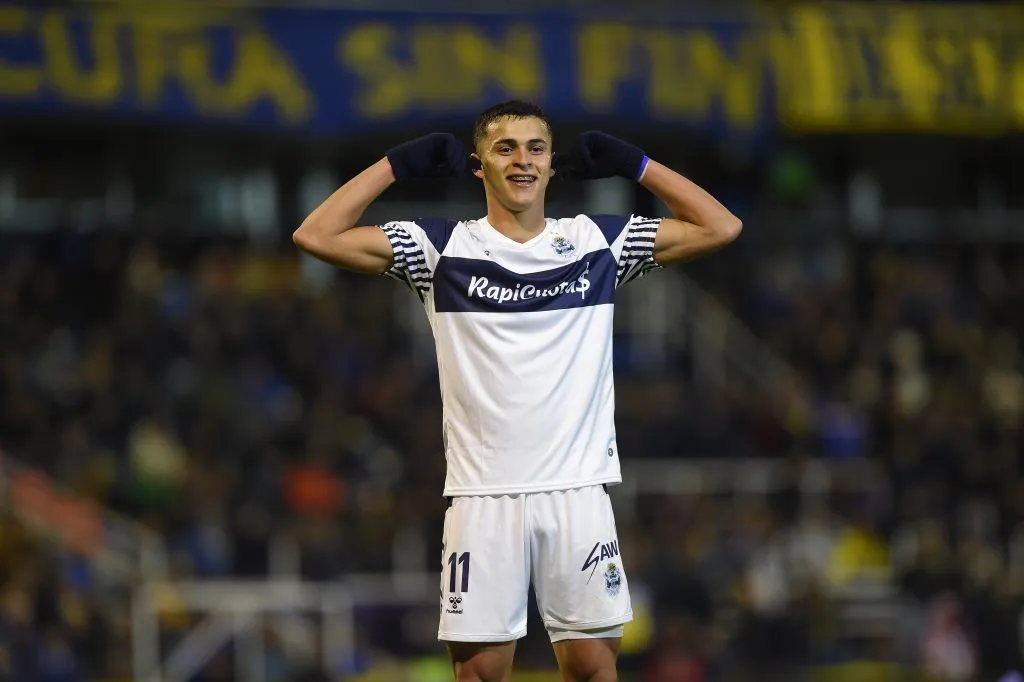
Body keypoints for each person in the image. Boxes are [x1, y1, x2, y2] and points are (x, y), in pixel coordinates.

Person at [293, 100, 741, 682]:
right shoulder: (438, 248)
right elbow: (314, 234)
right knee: (479, 675)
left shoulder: (597, 243)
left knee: (591, 671)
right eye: (504, 148)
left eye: (535, 148)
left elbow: (720, 226)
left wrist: (637, 165)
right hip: (484, 496)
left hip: (577, 490)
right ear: (479, 165)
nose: (522, 160)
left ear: (553, 164)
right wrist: (395, 165)